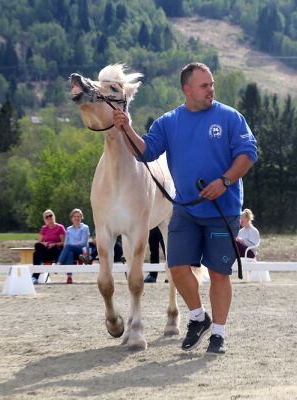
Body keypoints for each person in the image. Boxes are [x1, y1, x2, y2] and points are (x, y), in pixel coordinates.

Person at [113, 62, 257, 355]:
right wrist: (126, 127)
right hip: (186, 210)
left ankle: (218, 333)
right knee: (176, 268)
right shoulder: (169, 122)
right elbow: (145, 152)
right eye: (204, 86)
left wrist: (225, 181)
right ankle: (197, 317)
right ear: (187, 89)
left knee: (218, 273)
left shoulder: (230, 118)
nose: (211, 90)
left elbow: (248, 154)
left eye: (212, 84)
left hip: (222, 209)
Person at [32, 209, 65, 284]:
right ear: (45, 219)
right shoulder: (44, 228)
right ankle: (35, 276)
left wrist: (54, 244)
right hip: (46, 250)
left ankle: (36, 274)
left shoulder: (60, 227)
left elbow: (63, 242)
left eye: (50, 215)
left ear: (54, 216)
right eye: (47, 217)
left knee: (37, 255)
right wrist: (44, 243)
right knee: (37, 248)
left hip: (55, 249)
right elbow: (39, 242)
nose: (49, 217)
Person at [57, 208, 90, 284]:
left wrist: (71, 246)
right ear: (72, 218)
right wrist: (69, 246)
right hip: (71, 250)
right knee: (69, 253)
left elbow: (83, 242)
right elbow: (65, 243)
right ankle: (69, 277)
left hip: (82, 251)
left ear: (81, 218)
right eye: (75, 216)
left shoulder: (85, 228)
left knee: (68, 247)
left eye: (78, 216)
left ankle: (59, 263)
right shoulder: (68, 229)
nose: (76, 218)